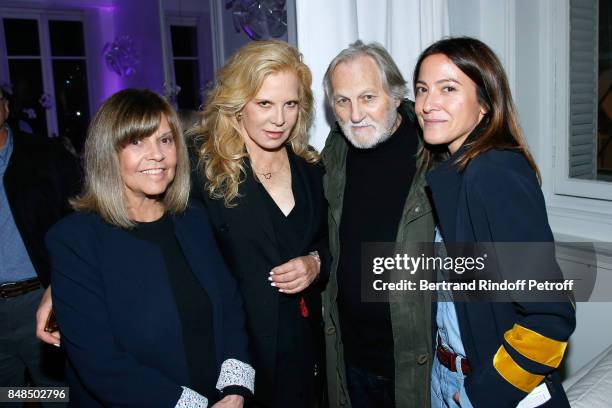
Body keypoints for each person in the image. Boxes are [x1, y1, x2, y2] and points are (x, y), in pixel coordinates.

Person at [46, 89, 254, 407]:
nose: (156, 154)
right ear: (108, 154)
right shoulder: (74, 241)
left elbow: (230, 307)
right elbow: (100, 364)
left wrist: (235, 390)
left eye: (165, 140)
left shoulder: (194, 220)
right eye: (136, 142)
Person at [413, 37, 576, 407]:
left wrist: (480, 395)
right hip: (448, 373)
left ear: (485, 103)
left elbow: (550, 317)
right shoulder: (457, 171)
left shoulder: (494, 171)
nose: (426, 104)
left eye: (448, 89)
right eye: (422, 89)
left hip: (485, 386)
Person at [189, 40, 329, 408]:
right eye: (264, 103)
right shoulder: (201, 169)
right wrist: (58, 284)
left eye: (290, 104)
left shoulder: (311, 170)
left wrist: (316, 263)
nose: (279, 119)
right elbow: (141, 225)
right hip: (235, 352)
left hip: (303, 346)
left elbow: (331, 242)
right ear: (237, 106)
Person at [321, 40, 435, 408]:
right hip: (352, 360)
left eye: (368, 97)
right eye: (342, 101)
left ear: (396, 94)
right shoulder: (335, 152)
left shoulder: (436, 151)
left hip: (419, 366)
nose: (355, 115)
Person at [0, 85, 78, 403]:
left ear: (5, 107)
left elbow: (78, 221)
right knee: (8, 396)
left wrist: (63, 285)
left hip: (40, 299)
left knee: (56, 394)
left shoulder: (46, 156)